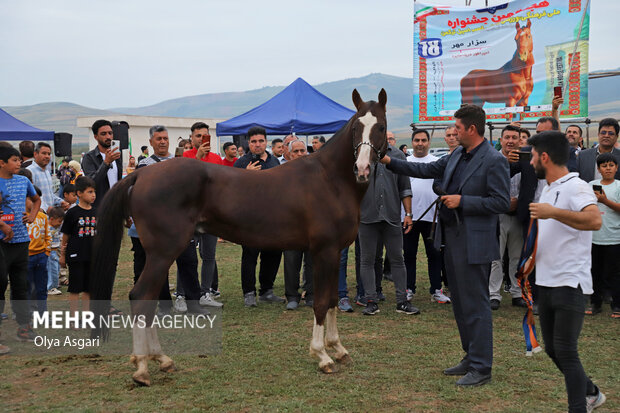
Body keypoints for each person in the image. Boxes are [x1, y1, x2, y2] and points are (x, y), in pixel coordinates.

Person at [381, 104, 510, 387]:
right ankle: (470, 356)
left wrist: (464, 201)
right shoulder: (455, 156)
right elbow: (421, 168)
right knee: (461, 305)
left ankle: (482, 367)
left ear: (471, 129)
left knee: (476, 305)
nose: (453, 133)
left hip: (475, 243)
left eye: (458, 129)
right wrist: (389, 161)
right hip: (451, 238)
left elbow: (500, 202)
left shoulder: (493, 159)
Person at [527, 131, 606, 412]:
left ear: (544, 157)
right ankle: (591, 392)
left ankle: (579, 407)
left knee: (567, 352)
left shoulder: (577, 186)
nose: (531, 160)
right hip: (546, 280)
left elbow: (594, 220)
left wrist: (553, 213)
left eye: (533, 155)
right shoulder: (548, 187)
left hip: (570, 282)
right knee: (552, 349)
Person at [358, 129, 417, 316]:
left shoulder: (398, 155)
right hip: (367, 216)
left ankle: (402, 301)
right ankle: (370, 301)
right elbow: (353, 185)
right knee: (367, 260)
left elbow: (405, 187)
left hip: (392, 216)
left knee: (397, 259)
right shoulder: (361, 155)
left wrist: (408, 213)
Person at [234, 127, 284, 306]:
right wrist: (246, 176)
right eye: (254, 141)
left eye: (261, 141)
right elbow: (233, 191)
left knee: (273, 253)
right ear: (249, 143)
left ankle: (266, 291)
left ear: (266, 142)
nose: (257, 144)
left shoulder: (275, 161)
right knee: (250, 255)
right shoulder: (241, 163)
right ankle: (249, 293)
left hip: (272, 217)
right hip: (250, 218)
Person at [402, 129, 450, 304]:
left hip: (433, 218)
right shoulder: (405, 163)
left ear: (429, 142)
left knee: (435, 255)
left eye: (423, 140)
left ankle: (436, 290)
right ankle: (409, 289)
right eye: (416, 140)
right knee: (408, 254)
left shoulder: (437, 163)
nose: (420, 143)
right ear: (412, 142)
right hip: (408, 217)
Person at [0, 144, 42, 343]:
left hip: (21, 241)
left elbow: (36, 199)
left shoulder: (23, 180)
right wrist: (2, 225)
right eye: (15, 160)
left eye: (19, 160)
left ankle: (24, 327)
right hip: (1, 243)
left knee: (21, 285)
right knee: (1, 284)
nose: (19, 163)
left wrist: (33, 215)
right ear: (2, 163)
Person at [182, 122, 222, 308]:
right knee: (186, 256)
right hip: (190, 214)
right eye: (198, 136)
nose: (202, 139)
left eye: (205, 136)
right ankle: (182, 294)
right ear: (191, 138)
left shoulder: (216, 158)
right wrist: (197, 158)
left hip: (211, 214)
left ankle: (206, 293)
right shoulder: (185, 156)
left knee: (209, 256)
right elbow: (185, 184)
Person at [489, 125, 526, 310]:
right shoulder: (493, 160)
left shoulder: (526, 160)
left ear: (520, 140)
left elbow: (529, 187)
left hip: (517, 215)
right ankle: (494, 294)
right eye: (507, 137)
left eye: (514, 137)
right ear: (500, 140)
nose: (510, 141)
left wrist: (518, 202)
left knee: (516, 257)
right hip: (498, 215)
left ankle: (517, 293)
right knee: (495, 257)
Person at [587, 153, 620, 318]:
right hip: (594, 237)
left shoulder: (619, 186)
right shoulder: (590, 185)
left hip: (614, 237)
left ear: (616, 168)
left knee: (614, 273)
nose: (608, 168)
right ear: (599, 169)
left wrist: (605, 201)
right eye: (604, 166)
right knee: (595, 272)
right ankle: (595, 303)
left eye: (611, 165)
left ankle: (617, 305)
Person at [283, 140, 313, 310]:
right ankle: (292, 296)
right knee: (291, 261)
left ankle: (311, 295)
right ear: (289, 154)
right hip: (290, 225)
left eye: (303, 151)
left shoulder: (314, 173)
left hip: (311, 224)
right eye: (296, 151)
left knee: (312, 261)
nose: (300, 154)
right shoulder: (282, 173)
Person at [81, 119, 122, 208]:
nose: (108, 137)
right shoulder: (89, 158)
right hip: (100, 208)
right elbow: (92, 183)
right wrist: (106, 162)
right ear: (96, 137)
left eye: (110, 133)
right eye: (103, 134)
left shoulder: (117, 156)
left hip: (117, 206)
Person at [26, 186, 51, 315]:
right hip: (27, 258)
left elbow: (48, 235)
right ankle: (28, 313)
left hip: (41, 256)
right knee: (27, 287)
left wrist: (46, 252)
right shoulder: (21, 217)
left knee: (42, 287)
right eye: (32, 200)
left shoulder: (42, 217)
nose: (36, 203)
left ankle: (43, 313)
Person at [27, 142, 69, 213]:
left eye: (49, 154)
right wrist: (46, 209)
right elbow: (30, 197)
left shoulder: (47, 172)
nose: (47, 156)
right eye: (44, 153)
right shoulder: (30, 171)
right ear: (35, 154)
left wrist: (60, 202)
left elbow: (49, 194)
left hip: (49, 217)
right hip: (37, 217)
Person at [577, 118, 620, 183]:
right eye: (603, 132)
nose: (606, 136)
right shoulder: (582, 156)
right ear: (598, 134)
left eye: (611, 133)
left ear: (617, 137)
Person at [46, 206, 65, 296]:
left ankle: (54, 285)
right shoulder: (48, 228)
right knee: (52, 269)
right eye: (59, 221)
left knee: (56, 269)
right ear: (52, 219)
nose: (60, 224)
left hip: (55, 252)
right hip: (50, 253)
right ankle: (50, 287)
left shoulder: (55, 228)